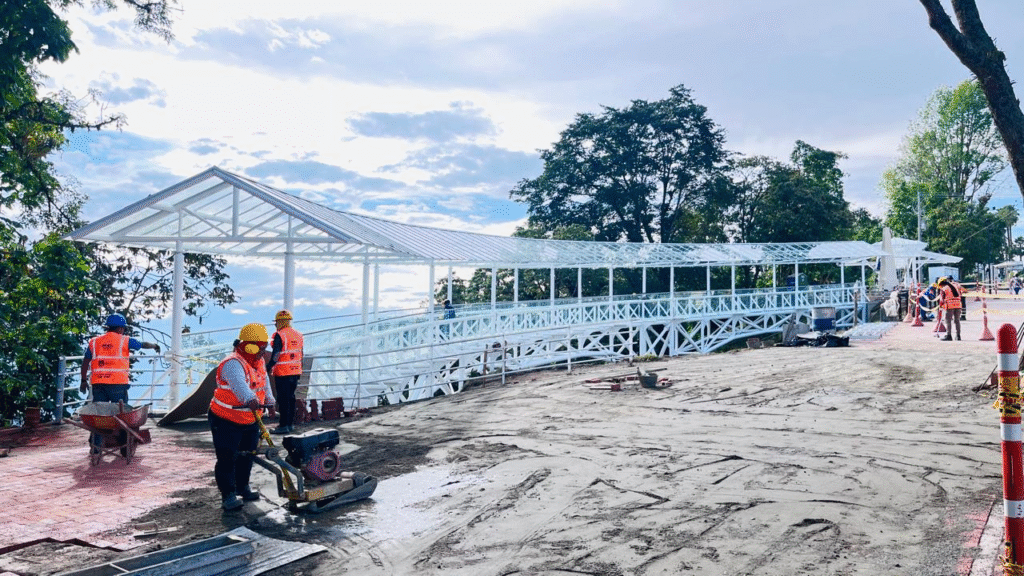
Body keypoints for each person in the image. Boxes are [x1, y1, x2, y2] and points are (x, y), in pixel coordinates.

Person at [208, 323, 277, 510]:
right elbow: (239, 386)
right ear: (250, 346)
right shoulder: (232, 363)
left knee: (248, 455)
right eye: (260, 348)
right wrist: (249, 399)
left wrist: (270, 401)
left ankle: (243, 487)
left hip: (250, 419)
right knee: (227, 457)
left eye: (264, 348)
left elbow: (264, 382)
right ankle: (228, 495)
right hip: (225, 418)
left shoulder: (258, 361)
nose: (263, 352)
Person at [79, 313, 161, 403]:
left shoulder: (94, 342)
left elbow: (85, 362)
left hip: (98, 384)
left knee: (100, 409)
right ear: (120, 328)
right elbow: (143, 344)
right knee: (120, 409)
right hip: (117, 383)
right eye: (124, 328)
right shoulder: (125, 340)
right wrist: (155, 346)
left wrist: (83, 380)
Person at [268, 310, 303, 435]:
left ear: (280, 322)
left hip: (283, 373)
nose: (275, 325)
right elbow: (301, 353)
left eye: (276, 322)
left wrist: (268, 366)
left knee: (283, 399)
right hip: (295, 371)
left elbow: (276, 354)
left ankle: (283, 426)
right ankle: (289, 424)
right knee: (291, 398)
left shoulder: (280, 335)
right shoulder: (298, 335)